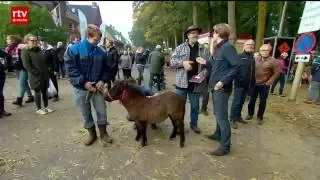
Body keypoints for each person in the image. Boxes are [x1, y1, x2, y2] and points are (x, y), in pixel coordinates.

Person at [65, 24, 113, 146]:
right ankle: (92, 134)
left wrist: (102, 80)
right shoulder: (74, 50)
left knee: (102, 111)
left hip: (97, 88)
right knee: (85, 113)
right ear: (88, 36)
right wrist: (84, 82)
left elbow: (107, 70)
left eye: (99, 40)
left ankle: (103, 133)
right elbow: (71, 70)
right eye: (96, 40)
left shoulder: (101, 52)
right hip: (81, 89)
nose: (97, 43)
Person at [197, 23, 241, 156]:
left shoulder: (228, 47)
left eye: (214, 33)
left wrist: (223, 81)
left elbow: (237, 66)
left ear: (219, 33)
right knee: (218, 114)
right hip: (215, 87)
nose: (212, 35)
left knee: (222, 117)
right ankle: (218, 134)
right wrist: (206, 63)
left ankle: (225, 147)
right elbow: (218, 65)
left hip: (221, 88)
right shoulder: (220, 48)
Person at [170, 25, 207, 134]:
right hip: (181, 83)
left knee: (195, 107)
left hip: (196, 83)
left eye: (196, 33)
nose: (195, 35)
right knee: (179, 107)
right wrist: (183, 63)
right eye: (192, 33)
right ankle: (178, 125)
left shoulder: (203, 49)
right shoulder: (180, 47)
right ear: (188, 35)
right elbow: (171, 62)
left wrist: (201, 77)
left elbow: (208, 65)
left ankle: (194, 125)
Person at [246, 44, 280, 124]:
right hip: (254, 83)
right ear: (260, 51)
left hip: (264, 85)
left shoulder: (273, 61)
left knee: (262, 101)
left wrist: (270, 81)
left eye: (266, 50)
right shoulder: (255, 59)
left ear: (269, 51)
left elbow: (277, 73)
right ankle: (250, 114)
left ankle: (259, 117)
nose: (264, 52)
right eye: (262, 50)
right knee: (251, 100)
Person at [21, 34, 54, 115]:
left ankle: (46, 107)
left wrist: (48, 70)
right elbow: (27, 65)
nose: (35, 42)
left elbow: (44, 61)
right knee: (37, 91)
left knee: (45, 91)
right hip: (35, 75)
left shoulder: (39, 50)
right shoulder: (25, 51)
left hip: (44, 74)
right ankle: (38, 109)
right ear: (27, 41)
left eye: (36, 40)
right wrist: (36, 73)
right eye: (32, 40)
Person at [229, 39, 256, 129]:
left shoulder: (252, 57)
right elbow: (235, 70)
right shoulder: (239, 56)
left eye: (252, 45)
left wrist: (252, 83)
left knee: (241, 102)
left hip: (248, 85)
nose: (250, 46)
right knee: (236, 102)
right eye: (248, 44)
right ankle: (232, 119)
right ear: (244, 46)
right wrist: (239, 79)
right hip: (239, 84)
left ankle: (238, 116)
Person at [11, 34, 34, 106]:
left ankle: (19, 99)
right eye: (27, 39)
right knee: (24, 83)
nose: (26, 40)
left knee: (22, 83)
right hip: (18, 67)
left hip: (24, 68)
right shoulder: (18, 46)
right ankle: (30, 96)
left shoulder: (27, 47)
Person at [199, 43, 211, 116]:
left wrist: (203, 73)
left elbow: (209, 64)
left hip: (204, 75)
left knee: (205, 94)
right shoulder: (189, 49)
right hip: (193, 75)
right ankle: (196, 109)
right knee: (195, 94)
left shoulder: (206, 50)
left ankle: (204, 109)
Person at [0, 49, 12, 118]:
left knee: (0, 94)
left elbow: (6, 55)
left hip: (1, 74)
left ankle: (2, 110)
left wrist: (6, 66)